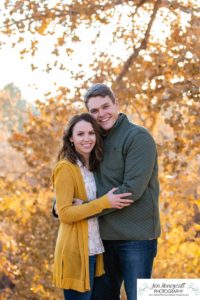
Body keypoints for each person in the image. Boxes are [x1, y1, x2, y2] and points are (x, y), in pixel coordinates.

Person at [82, 83, 161, 300]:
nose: (101, 114)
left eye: (105, 106)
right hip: (101, 238)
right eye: (94, 111)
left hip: (136, 238)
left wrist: (83, 209)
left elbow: (131, 191)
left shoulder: (138, 137)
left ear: (117, 104)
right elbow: (76, 178)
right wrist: (61, 205)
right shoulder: (91, 140)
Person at [51, 113, 133, 300]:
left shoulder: (93, 168)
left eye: (91, 133)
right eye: (80, 134)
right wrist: (104, 202)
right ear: (70, 138)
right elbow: (64, 213)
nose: (87, 138)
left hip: (96, 250)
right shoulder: (65, 168)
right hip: (75, 254)